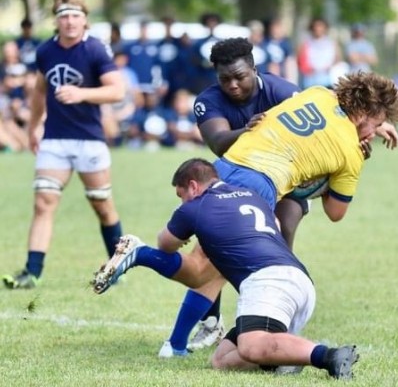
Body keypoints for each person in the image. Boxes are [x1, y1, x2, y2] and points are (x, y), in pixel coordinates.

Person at [162, 38, 398, 357]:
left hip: (234, 169)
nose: (233, 85)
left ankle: (240, 326)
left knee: (241, 250)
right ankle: (155, 279)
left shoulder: (312, 92)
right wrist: (346, 164)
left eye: (240, 77)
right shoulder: (350, 153)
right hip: (260, 180)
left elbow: (334, 106)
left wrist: (372, 126)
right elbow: (335, 212)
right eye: (225, 78)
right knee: (212, 264)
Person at [92, 158, 359, 379]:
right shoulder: (252, 195)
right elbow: (276, 226)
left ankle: (329, 356)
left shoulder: (194, 207)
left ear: (193, 186)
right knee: (223, 359)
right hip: (298, 281)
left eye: (181, 195)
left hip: (267, 282)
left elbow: (165, 244)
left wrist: (185, 225)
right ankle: (284, 358)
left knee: (252, 346)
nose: (182, 201)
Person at [2, 0, 125, 289]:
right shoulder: (46, 51)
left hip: (89, 141)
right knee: (43, 203)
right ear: (57, 21)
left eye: (76, 16)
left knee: (102, 206)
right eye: (64, 16)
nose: (70, 22)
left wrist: (81, 93)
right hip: (55, 140)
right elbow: (39, 91)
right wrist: (34, 127)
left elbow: (117, 91)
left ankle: (116, 266)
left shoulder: (95, 50)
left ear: (85, 20)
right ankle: (32, 272)